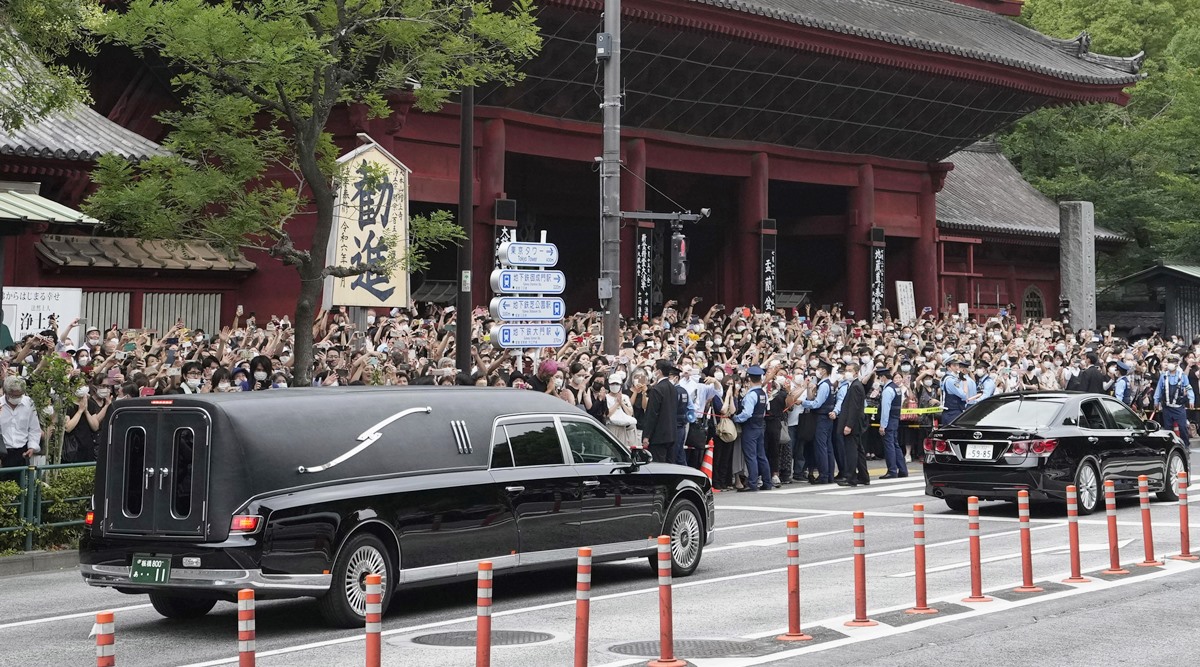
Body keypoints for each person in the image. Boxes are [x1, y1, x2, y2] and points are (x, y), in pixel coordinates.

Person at [731, 366, 773, 491]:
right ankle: (767, 482)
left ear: (749, 379)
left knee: (751, 455)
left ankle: (752, 483)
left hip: (750, 426)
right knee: (761, 455)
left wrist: (736, 418)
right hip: (760, 425)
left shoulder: (751, 395)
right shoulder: (762, 393)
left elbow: (747, 413)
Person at [802, 360, 837, 484]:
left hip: (821, 418)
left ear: (823, 370)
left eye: (819, 368)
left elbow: (817, 404)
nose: (817, 371)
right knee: (828, 447)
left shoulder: (824, 385)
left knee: (821, 447)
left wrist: (803, 403)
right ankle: (829, 475)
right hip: (827, 418)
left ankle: (823, 475)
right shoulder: (829, 384)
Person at [1, 376, 42, 480]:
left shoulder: (28, 403)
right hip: (3, 452)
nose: (17, 398)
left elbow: (34, 428)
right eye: (14, 396)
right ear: (6, 392)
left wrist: (32, 447)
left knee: (21, 486)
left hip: (22, 453)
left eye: (20, 395)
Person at [639, 359, 679, 464]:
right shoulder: (673, 388)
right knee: (669, 467)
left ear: (659, 371)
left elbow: (652, 414)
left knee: (658, 466)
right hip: (671, 434)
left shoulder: (657, 389)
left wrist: (646, 435)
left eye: (655, 368)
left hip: (658, 436)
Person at [836, 363, 869, 486]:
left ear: (856, 372)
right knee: (859, 450)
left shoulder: (855, 386)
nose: (847, 373)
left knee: (851, 451)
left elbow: (854, 408)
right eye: (846, 370)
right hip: (856, 423)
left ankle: (851, 478)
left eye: (850, 370)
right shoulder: (854, 385)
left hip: (853, 424)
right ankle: (864, 477)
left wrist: (849, 425)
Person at [1154, 354, 1195, 447]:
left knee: (1183, 428)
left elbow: (1189, 388)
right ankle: (1170, 447)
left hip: (1179, 408)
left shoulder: (1182, 376)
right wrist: (1156, 401)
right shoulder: (1163, 376)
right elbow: (1159, 389)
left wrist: (1191, 400)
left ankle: (1185, 446)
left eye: (1173, 363)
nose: (1170, 365)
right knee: (1168, 429)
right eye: (1169, 362)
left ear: (1177, 365)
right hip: (1167, 408)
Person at [877, 369, 909, 479]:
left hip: (889, 420)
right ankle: (903, 469)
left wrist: (883, 425)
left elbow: (886, 409)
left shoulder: (888, 390)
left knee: (889, 446)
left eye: (879, 377)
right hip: (895, 420)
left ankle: (892, 470)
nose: (879, 380)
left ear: (883, 377)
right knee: (895, 445)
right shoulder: (896, 388)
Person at [941, 358, 975, 424]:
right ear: (948, 367)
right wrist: (964, 380)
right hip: (953, 412)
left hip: (949, 411)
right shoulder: (951, 380)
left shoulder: (945, 377)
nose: (957, 368)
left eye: (957, 365)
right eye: (954, 365)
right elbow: (964, 395)